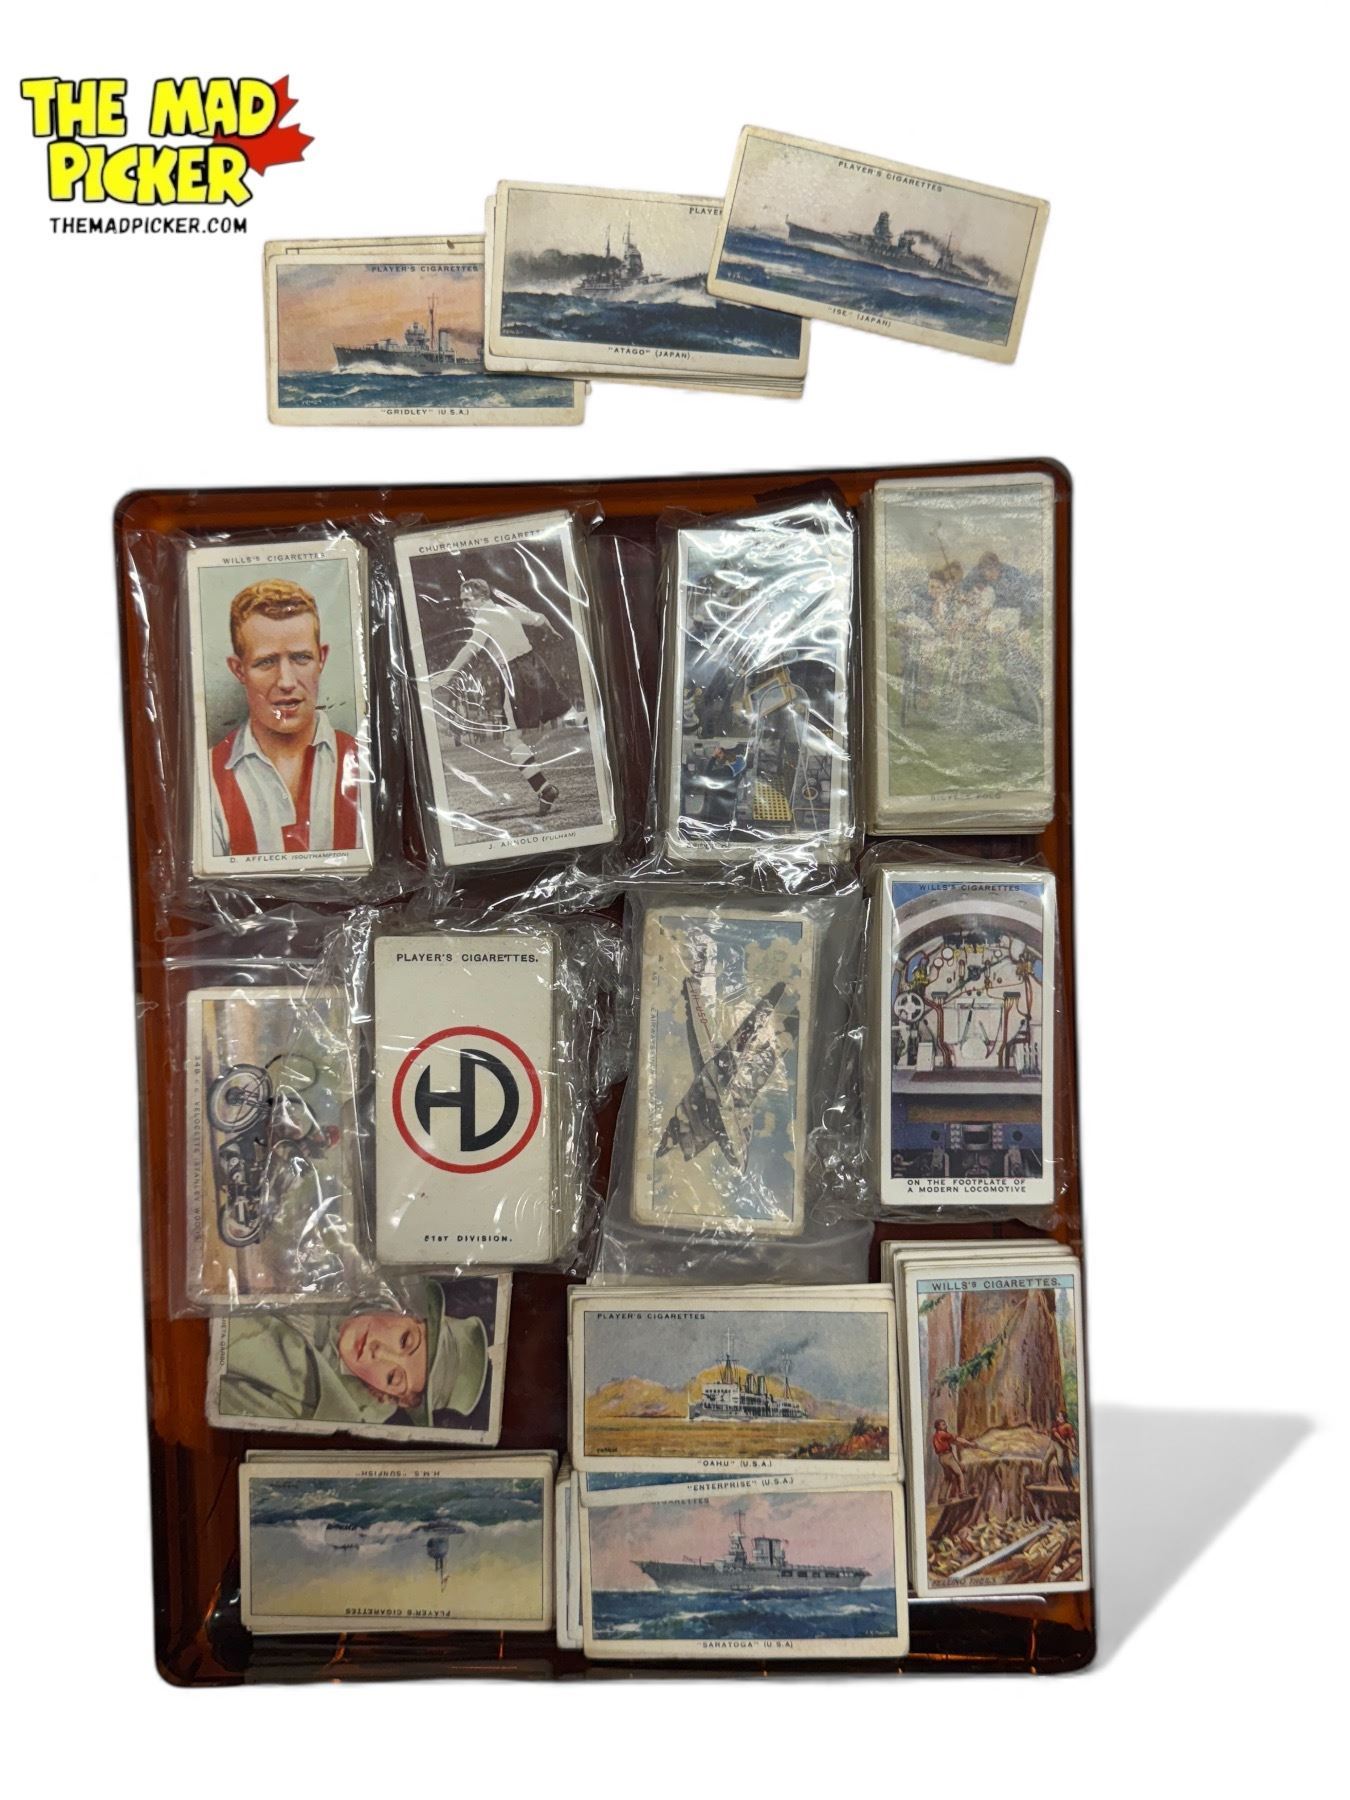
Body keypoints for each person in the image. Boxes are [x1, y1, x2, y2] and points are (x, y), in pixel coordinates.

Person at [209, 578, 362, 857]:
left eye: (301, 658)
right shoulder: (206, 776)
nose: (286, 681)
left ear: (321, 658)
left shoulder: (363, 761)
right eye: (266, 662)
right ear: (239, 669)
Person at [213, 1281, 489, 1431]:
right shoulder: (349, 1268)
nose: (379, 1352)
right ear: (410, 1316)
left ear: (390, 1397)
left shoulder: (308, 1406)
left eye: (393, 1377)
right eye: (405, 1340)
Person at [431, 576, 570, 817]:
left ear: (482, 598)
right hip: (536, 666)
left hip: (515, 674)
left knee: (511, 739)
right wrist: (552, 632)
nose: (463, 606)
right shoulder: (508, 611)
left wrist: (446, 675)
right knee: (569, 714)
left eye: (467, 600)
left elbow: (470, 648)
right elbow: (540, 618)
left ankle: (544, 789)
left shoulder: (483, 619)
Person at [932, 1417, 978, 1498]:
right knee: (959, 1474)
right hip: (948, 1457)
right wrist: (971, 1444)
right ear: (938, 1426)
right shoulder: (943, 1434)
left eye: (945, 1424)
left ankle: (941, 1498)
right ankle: (962, 1494)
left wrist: (964, 1444)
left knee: (948, 1478)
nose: (946, 1426)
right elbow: (957, 1439)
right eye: (943, 1425)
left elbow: (952, 1442)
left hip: (941, 1458)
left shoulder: (936, 1436)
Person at [1045, 1408, 1078, 1489]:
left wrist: (1073, 1448)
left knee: (1061, 1464)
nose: (1059, 1418)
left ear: (1064, 1418)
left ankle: (1069, 1483)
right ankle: (1043, 1480)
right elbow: (1055, 1433)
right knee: (1045, 1461)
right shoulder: (1055, 1424)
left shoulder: (1068, 1426)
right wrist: (1061, 1440)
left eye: (1061, 1417)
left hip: (1061, 1447)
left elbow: (1072, 1437)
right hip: (1054, 1444)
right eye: (1058, 1417)